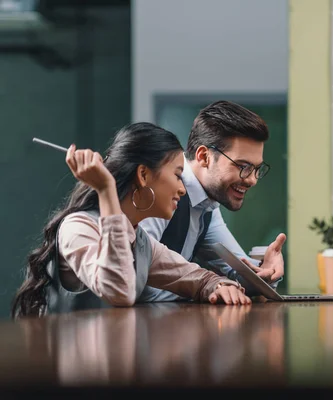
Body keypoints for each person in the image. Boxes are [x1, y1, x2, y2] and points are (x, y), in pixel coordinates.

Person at [11, 122, 250, 318]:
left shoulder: (140, 240)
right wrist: (105, 189)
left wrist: (220, 286)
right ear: (144, 175)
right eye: (177, 176)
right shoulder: (78, 228)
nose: (183, 189)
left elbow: (195, 277)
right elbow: (119, 290)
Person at [139, 101, 285, 300]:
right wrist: (208, 284)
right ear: (204, 156)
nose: (252, 179)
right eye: (243, 166)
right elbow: (139, 272)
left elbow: (239, 274)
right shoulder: (162, 189)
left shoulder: (208, 204)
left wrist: (266, 274)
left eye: (256, 169)